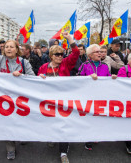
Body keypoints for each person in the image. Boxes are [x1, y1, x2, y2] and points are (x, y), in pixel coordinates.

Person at [38, 32, 80, 163]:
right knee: (51, 123)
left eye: (62, 54)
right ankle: (52, 137)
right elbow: (37, 84)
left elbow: (76, 53)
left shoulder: (66, 64)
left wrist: (70, 39)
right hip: (49, 102)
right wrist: (40, 78)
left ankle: (63, 153)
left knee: (64, 125)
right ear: (51, 56)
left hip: (64, 101)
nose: (60, 57)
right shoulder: (43, 67)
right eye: (57, 54)